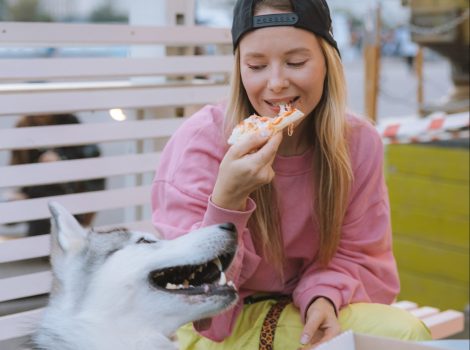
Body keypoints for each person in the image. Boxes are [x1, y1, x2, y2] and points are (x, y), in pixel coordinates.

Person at [151, 0, 432, 349]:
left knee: (406, 333)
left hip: (305, 314)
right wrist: (228, 201)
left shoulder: (358, 142)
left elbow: (360, 255)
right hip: (219, 326)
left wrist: (324, 296)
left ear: (327, 62)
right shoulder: (200, 143)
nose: (277, 83)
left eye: (296, 62)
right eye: (256, 65)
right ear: (239, 69)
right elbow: (194, 301)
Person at [9, 114, 105, 236]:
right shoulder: (23, 127)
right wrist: (22, 193)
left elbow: (93, 173)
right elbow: (21, 169)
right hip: (38, 210)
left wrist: (63, 162)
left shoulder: (70, 124)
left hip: (69, 204)